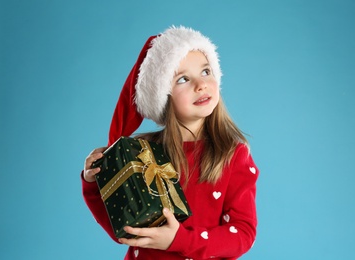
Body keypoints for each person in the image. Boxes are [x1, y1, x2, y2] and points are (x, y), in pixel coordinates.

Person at [82, 26, 259, 260]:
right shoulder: (141, 153)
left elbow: (242, 234)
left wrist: (179, 240)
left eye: (206, 71)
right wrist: (94, 182)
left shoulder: (233, 154)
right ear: (162, 95)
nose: (201, 84)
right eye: (183, 79)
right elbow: (122, 229)